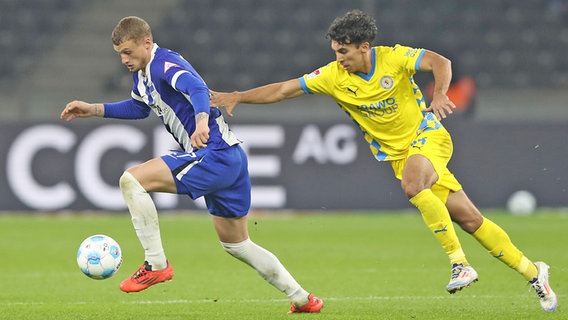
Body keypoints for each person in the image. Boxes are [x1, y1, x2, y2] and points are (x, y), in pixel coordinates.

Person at [210, 9, 558, 312]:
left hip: (429, 138)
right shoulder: (333, 76)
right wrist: (239, 96)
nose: (338, 58)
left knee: (413, 184)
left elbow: (441, 62)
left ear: (365, 47)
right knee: (469, 219)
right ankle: (534, 273)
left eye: (343, 51)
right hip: (400, 157)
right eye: (334, 51)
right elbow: (285, 89)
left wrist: (438, 94)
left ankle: (459, 264)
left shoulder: (394, 58)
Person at [60, 16, 323, 314]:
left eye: (129, 52)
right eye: (120, 54)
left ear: (147, 43)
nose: (124, 59)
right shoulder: (143, 73)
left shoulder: (163, 64)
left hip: (214, 154)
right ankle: (302, 298)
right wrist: (94, 109)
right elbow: (139, 107)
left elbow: (197, 88)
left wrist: (201, 123)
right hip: (230, 158)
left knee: (131, 180)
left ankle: (156, 263)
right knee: (237, 245)